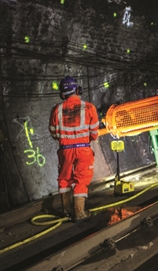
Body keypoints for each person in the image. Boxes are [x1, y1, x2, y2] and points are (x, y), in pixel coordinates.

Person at [49, 76, 99, 222]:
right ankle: (79, 213)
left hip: (65, 149)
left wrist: (65, 139)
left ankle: (66, 210)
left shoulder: (56, 109)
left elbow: (53, 132)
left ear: (62, 93)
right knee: (81, 180)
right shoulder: (89, 107)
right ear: (77, 89)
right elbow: (94, 133)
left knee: (64, 179)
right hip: (83, 149)